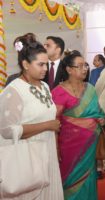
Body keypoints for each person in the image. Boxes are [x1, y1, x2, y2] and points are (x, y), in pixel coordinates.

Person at [0, 33, 64, 199]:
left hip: (47, 153)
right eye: (40, 64)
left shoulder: (44, 86)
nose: (45, 69)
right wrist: (47, 126)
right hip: (26, 158)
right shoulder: (13, 91)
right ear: (25, 64)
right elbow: (7, 130)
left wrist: (55, 146)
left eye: (47, 64)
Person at [51, 50, 105, 200]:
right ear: (69, 69)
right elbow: (54, 122)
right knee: (70, 179)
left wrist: (102, 120)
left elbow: (99, 112)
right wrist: (55, 148)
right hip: (68, 147)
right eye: (80, 66)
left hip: (89, 146)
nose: (84, 69)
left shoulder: (91, 89)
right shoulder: (58, 92)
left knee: (88, 177)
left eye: (85, 66)